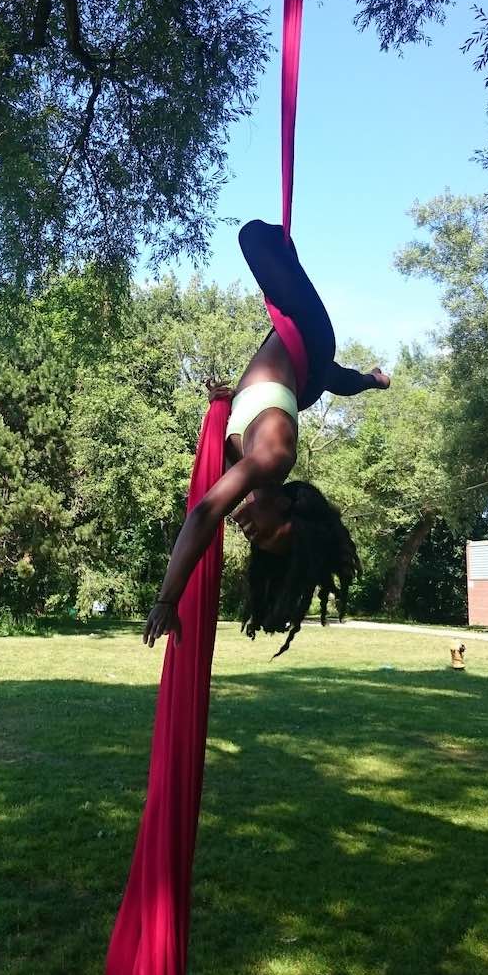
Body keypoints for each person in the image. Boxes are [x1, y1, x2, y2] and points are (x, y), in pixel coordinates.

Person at [143, 220, 390, 656]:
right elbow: (202, 515)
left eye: (253, 539)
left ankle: (371, 379)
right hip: (309, 337)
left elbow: (213, 460)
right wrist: (167, 599)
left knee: (335, 379)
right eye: (264, 533)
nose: (248, 530)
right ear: (286, 510)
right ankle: (367, 379)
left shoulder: (248, 470)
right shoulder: (273, 457)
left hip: (304, 378)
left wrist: (228, 401)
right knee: (254, 237)